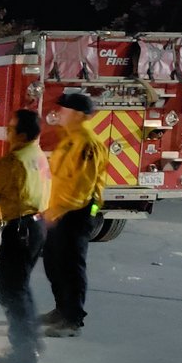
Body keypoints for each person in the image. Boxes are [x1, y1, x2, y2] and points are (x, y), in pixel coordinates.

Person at [0, 110, 51, 363]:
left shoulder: (13, 161)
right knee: (21, 287)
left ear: (21, 134)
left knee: (10, 292)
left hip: (16, 228)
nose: (7, 132)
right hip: (36, 225)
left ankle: (23, 351)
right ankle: (31, 340)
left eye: (10, 129)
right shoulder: (38, 155)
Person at [41, 93, 108, 337]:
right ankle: (61, 309)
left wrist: (56, 212)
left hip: (74, 213)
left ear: (79, 115)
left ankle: (73, 320)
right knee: (54, 263)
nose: (60, 112)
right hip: (59, 213)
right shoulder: (70, 139)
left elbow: (80, 188)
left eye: (65, 109)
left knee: (71, 265)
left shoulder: (86, 144)